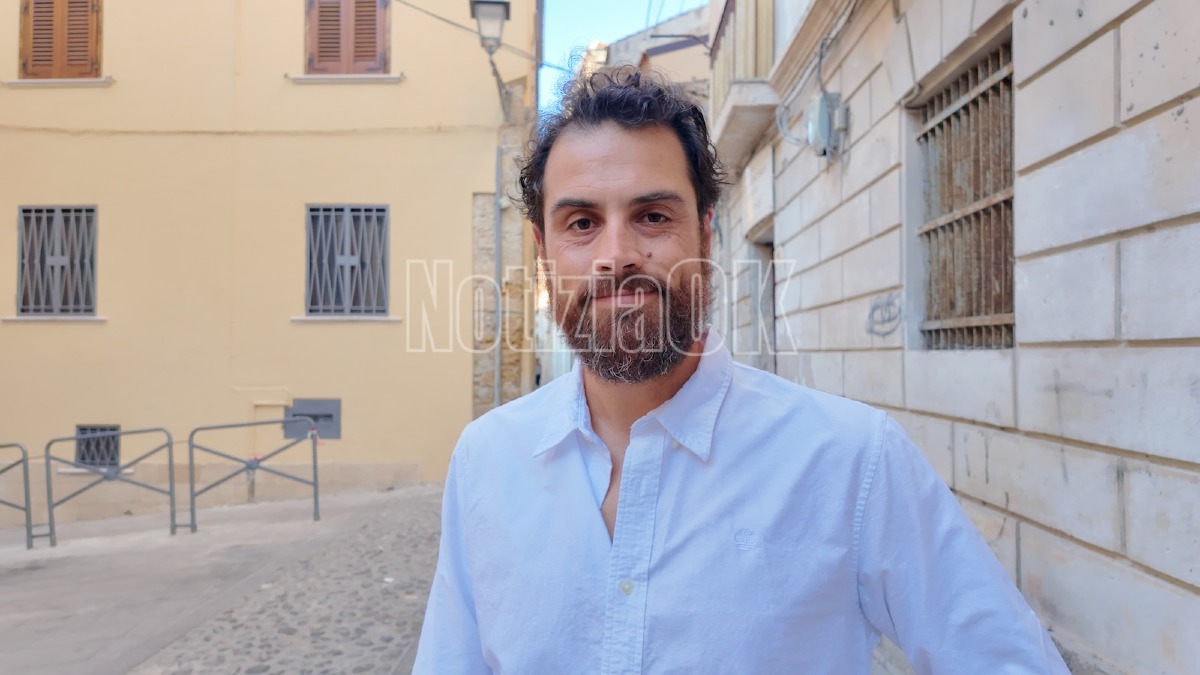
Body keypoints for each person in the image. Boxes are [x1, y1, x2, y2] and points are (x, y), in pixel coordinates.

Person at [413, 68, 1070, 674]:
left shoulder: (850, 463)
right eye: (581, 222)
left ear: (705, 234)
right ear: (544, 252)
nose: (617, 255)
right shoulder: (486, 461)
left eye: (652, 216)